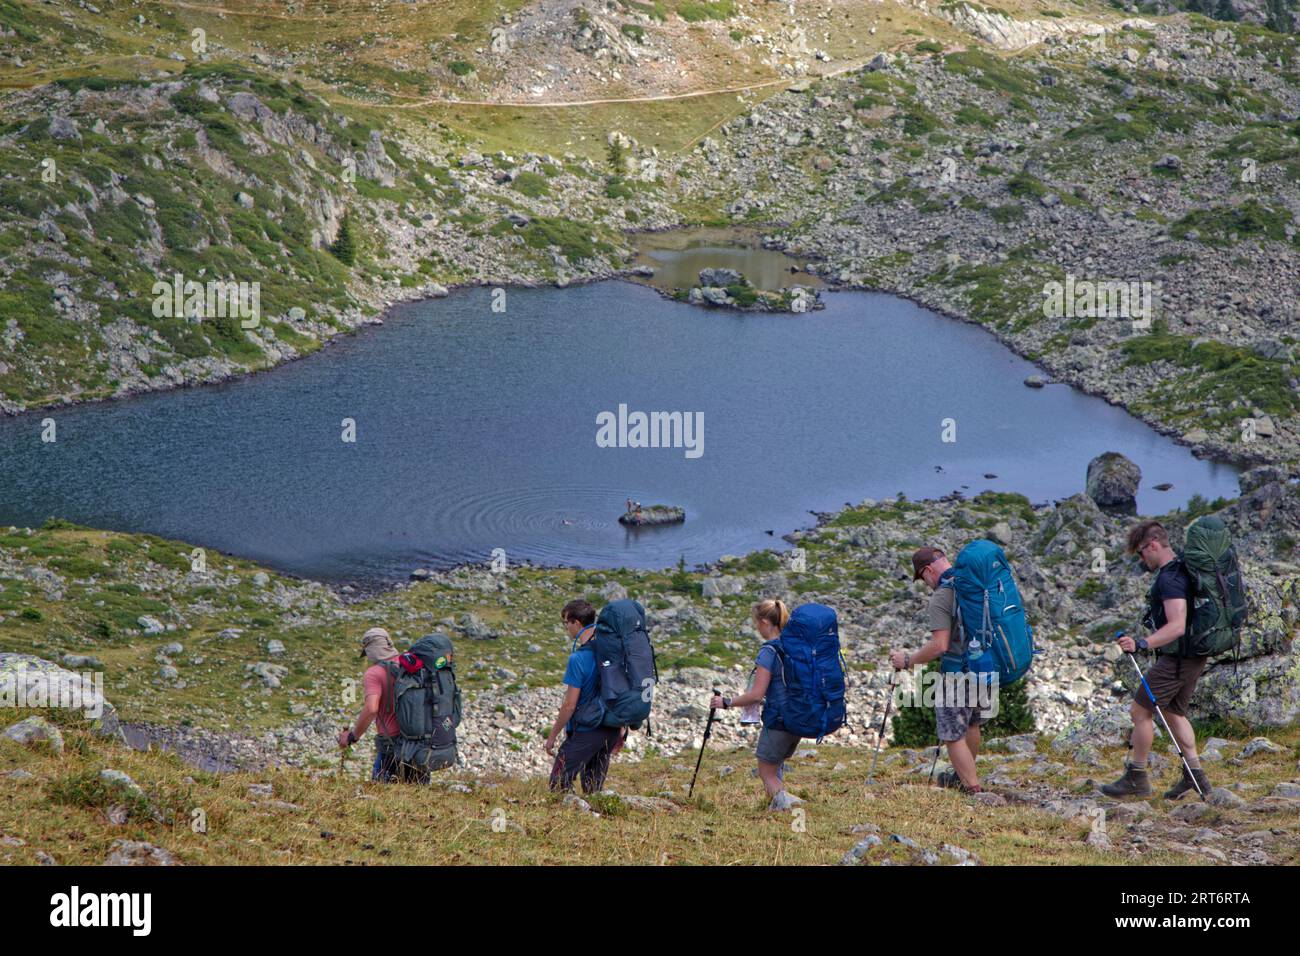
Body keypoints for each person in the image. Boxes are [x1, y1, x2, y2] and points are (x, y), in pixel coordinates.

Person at [1102, 520, 1210, 799]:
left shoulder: (1170, 578)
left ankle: (1136, 776)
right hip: (1195, 654)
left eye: (1141, 552)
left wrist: (1141, 643)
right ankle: (1195, 778)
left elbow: (1176, 625)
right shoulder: (1183, 569)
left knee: (1140, 712)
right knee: (1174, 712)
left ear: (1153, 545)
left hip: (1178, 657)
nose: (1142, 559)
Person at [888, 546, 987, 794]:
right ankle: (964, 777)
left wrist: (908, 660)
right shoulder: (974, 584)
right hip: (985, 665)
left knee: (952, 734)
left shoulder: (943, 595)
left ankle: (973, 789)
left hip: (957, 672)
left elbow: (939, 646)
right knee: (972, 724)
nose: (925, 584)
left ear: (929, 570)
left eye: (922, 578)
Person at [709, 599, 803, 811]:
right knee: (775, 765)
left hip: (778, 719)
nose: (756, 629)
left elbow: (756, 695)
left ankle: (789, 813)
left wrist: (725, 702)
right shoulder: (792, 647)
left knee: (766, 772)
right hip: (797, 717)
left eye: (756, 624)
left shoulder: (768, 651)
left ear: (764, 622)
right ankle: (781, 807)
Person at [547, 599, 626, 792]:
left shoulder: (578, 658)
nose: (566, 627)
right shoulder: (613, 652)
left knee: (558, 782)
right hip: (611, 727)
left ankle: (566, 819)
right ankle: (596, 817)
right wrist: (622, 728)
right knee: (593, 788)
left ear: (577, 623)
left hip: (588, 729)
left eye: (566, 622)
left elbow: (569, 706)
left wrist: (552, 736)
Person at [337, 626, 403, 782]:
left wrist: (353, 736)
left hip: (391, 744)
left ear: (371, 650)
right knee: (419, 797)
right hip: (418, 743)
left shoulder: (374, 673)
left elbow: (372, 708)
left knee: (382, 795)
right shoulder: (409, 664)